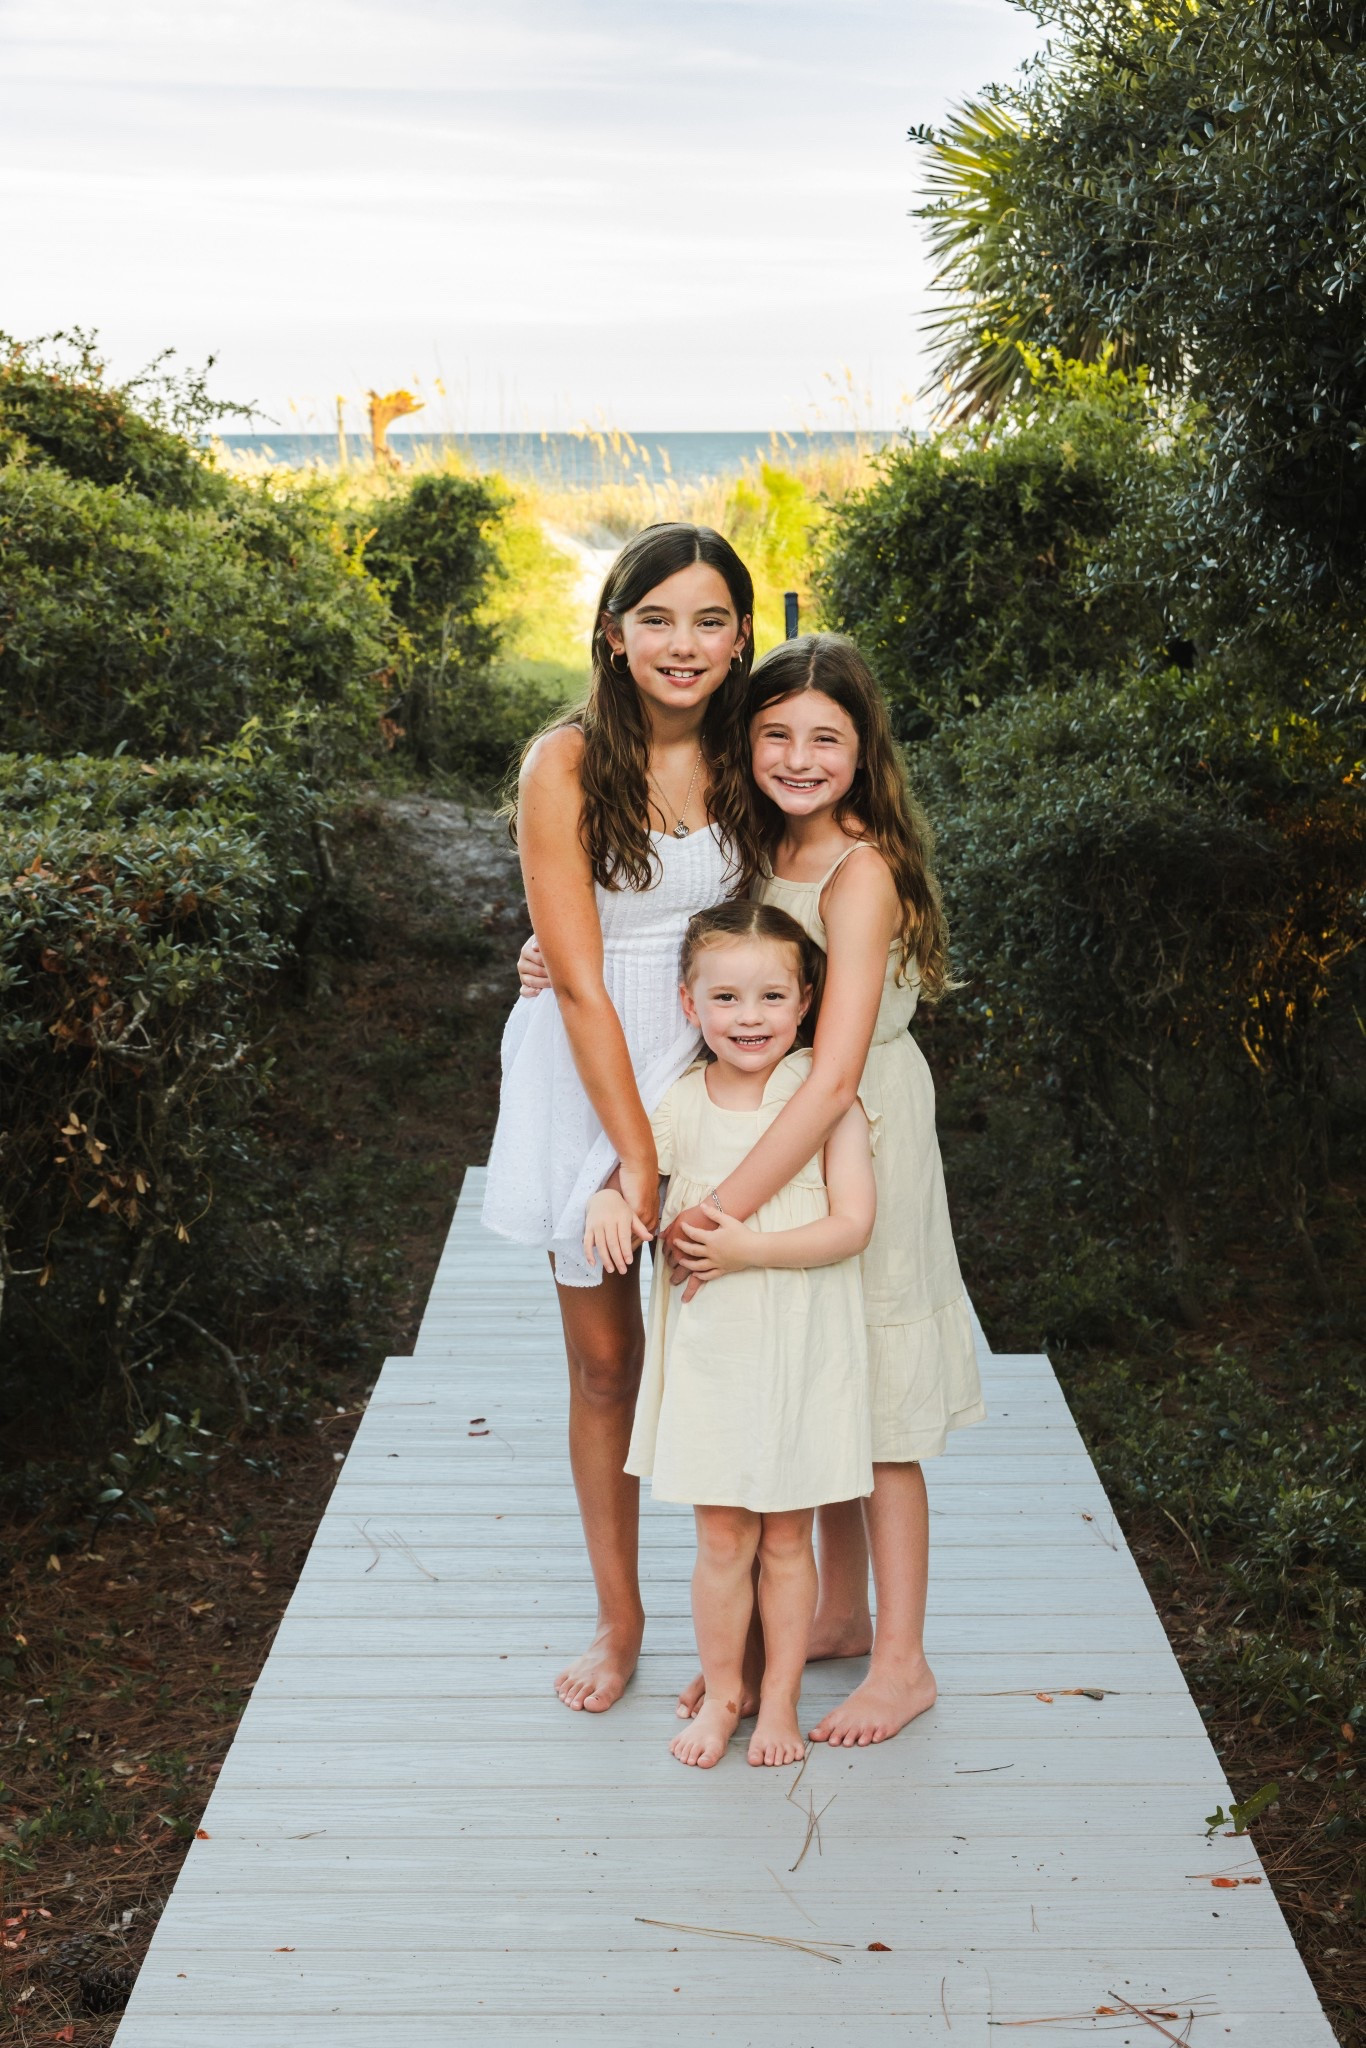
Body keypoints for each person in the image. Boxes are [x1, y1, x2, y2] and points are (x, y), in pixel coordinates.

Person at [665, 633, 985, 1747]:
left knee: (885, 1410)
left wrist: (721, 1212)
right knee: (828, 1382)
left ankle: (903, 1661)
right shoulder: (765, 849)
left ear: (865, 751)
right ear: (746, 743)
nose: (799, 757)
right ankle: (838, 1613)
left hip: (859, 1134)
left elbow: (836, 1070)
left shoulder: (861, 872)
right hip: (780, 1137)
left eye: (826, 738)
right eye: (775, 735)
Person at [481, 522, 759, 1715]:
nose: (681, 643)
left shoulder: (760, 746)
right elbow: (583, 977)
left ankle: (737, 1616)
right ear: (613, 630)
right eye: (656, 617)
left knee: (725, 1346)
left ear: (741, 635)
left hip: (716, 1058)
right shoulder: (567, 759)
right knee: (605, 1364)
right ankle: (620, 1616)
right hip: (589, 1062)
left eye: (707, 618)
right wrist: (631, 1159)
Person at [584, 900, 875, 1769]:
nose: (749, 1019)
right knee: (721, 1539)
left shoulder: (824, 1098)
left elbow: (852, 1225)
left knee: (787, 1537)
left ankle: (778, 1701)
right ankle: (723, 1694)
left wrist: (747, 1247)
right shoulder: (678, 1101)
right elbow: (634, 1173)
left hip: (798, 1352)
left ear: (807, 1000)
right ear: (689, 1005)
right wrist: (608, 1193)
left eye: (771, 998)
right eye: (726, 999)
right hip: (712, 1360)